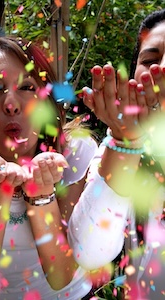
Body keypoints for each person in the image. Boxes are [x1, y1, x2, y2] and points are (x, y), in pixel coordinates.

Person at [0, 36, 103, 299]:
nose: (10, 104)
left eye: (26, 87)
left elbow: (61, 274)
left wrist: (41, 194)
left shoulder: (74, 154)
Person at [68, 8, 165, 299]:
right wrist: (126, 143)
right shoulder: (118, 148)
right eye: (149, 60)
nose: (161, 69)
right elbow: (89, 252)